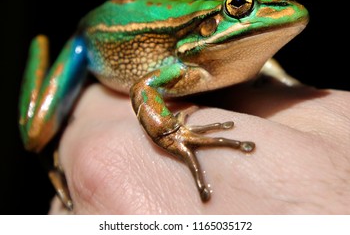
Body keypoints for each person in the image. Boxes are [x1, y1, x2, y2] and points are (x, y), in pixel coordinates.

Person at [48, 78, 350, 214]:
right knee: (38, 130)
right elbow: (144, 87)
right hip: (89, 43)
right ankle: (47, 159)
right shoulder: (185, 65)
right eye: (240, 7)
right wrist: (170, 133)